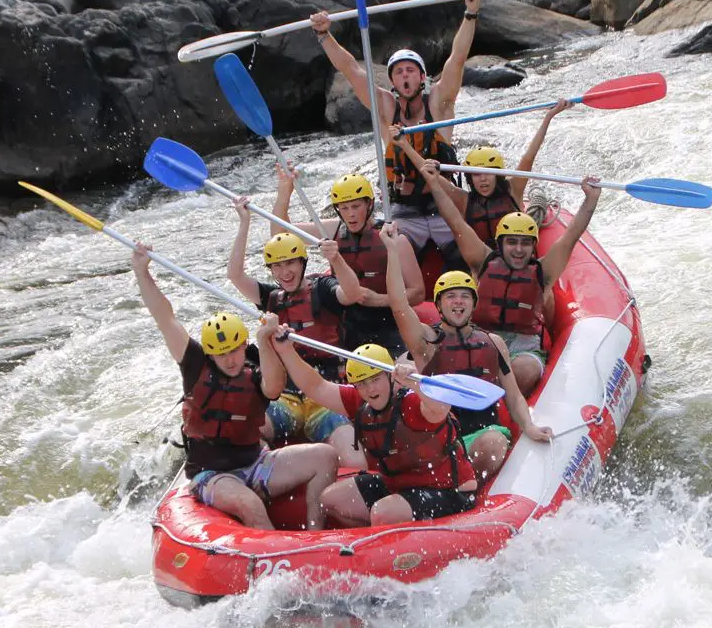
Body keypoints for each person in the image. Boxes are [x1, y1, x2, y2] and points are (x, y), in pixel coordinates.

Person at [131, 244, 337, 530]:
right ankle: (275, 553)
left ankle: (316, 535)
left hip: (256, 463)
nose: (229, 360)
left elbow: (273, 389)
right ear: (210, 353)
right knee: (249, 503)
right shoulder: (194, 365)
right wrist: (142, 272)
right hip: (211, 475)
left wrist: (265, 340)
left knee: (325, 456)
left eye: (234, 351)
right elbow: (165, 318)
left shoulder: (254, 367)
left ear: (244, 345)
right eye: (221, 354)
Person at [404, 147, 602, 396]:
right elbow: (455, 221)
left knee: (525, 370)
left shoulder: (544, 271)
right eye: (511, 242)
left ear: (533, 246)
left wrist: (591, 199)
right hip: (479, 338)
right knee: (417, 356)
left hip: (523, 346)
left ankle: (497, 400)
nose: (518, 249)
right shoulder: (482, 261)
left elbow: (571, 236)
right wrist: (433, 183)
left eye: (525, 243)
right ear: (500, 243)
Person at [309, 0, 483, 261]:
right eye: (399, 72)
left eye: (410, 71)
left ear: (422, 78)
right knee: (393, 254)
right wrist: (323, 35)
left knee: (465, 256)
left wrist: (471, 13)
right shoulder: (385, 107)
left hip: (443, 204)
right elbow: (350, 69)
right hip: (405, 210)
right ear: (391, 81)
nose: (405, 76)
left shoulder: (439, 103)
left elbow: (457, 59)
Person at [379, 222, 553, 482]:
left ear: (474, 303)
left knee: (494, 443)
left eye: (465, 296)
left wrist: (529, 426)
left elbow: (514, 395)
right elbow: (398, 304)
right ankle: (449, 481)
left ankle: (463, 482)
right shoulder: (426, 341)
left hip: (483, 433)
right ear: (439, 305)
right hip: (439, 437)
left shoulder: (493, 342)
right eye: (450, 296)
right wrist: (392, 251)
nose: (458, 301)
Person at [267, 332, 478, 527]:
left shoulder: (413, 402)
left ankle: (390, 538)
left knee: (382, 512)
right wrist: (286, 350)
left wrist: (416, 383)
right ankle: (374, 541)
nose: (370, 389)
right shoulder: (360, 403)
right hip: (400, 488)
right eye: (362, 383)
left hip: (449, 491)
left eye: (376, 380)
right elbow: (316, 387)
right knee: (330, 499)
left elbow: (441, 408)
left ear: (390, 376)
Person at [225, 195, 365, 468]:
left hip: (325, 394)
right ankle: (263, 475)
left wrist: (336, 259)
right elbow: (235, 276)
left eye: (290, 263)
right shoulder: (271, 298)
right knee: (244, 432)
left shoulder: (323, 289)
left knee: (354, 459)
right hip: (286, 397)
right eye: (277, 266)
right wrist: (244, 222)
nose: (284, 272)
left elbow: (352, 293)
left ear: (303, 263)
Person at [270, 166, 424, 356]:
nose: (350, 214)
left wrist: (379, 300)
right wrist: (284, 192)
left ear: (369, 205)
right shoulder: (332, 230)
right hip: (346, 322)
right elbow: (280, 234)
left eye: (356, 206)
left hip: (389, 319)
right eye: (344, 208)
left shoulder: (394, 238)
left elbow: (418, 293)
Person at [450, 100, 573, 246]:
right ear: (470, 179)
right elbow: (434, 179)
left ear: (498, 175)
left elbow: (529, 156)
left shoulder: (514, 188)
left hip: (516, 254)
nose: (483, 179)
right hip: (483, 256)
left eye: (489, 173)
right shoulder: (464, 199)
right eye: (476, 174)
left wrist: (549, 117)